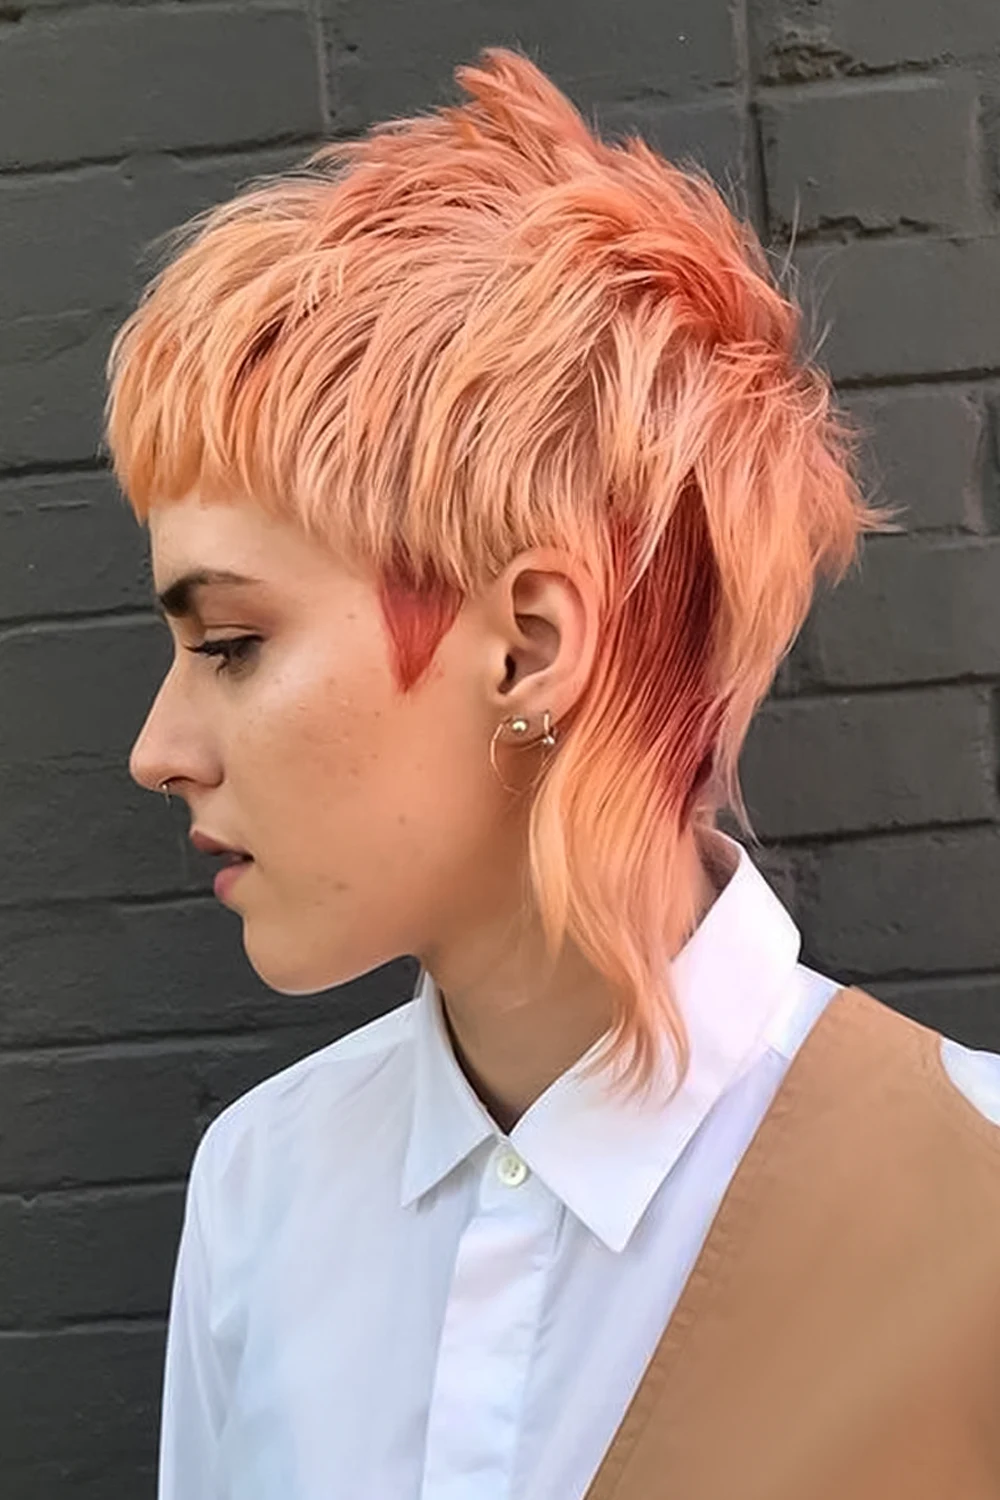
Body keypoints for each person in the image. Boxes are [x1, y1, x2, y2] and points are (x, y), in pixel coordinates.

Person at [105, 46, 1000, 1500]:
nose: (158, 750)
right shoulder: (260, 1192)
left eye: (229, 640)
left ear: (526, 647)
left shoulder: (978, 1201)